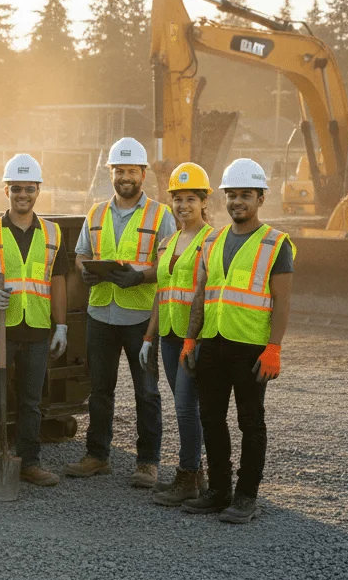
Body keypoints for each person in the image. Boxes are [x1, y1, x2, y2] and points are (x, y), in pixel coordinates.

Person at [179, 158, 295, 523]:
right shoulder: (212, 240)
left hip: (250, 347)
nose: (236, 202)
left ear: (261, 198)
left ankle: (246, 497)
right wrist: (189, 339)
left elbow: (283, 300)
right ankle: (218, 491)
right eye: (231, 195)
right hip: (212, 342)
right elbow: (202, 292)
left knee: (251, 422)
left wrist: (274, 348)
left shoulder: (276, 243)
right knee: (211, 418)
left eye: (245, 194)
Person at [65, 138, 176, 488]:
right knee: (100, 390)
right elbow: (82, 252)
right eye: (119, 170)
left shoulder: (161, 215)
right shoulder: (96, 213)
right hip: (101, 314)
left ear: (143, 174)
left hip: (141, 317)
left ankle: (147, 463)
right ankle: (97, 456)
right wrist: (84, 269)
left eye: (131, 170)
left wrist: (139, 276)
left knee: (147, 392)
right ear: (110, 173)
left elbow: (172, 264)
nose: (125, 176)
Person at [0, 153, 69, 489]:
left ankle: (29, 463)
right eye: (16, 188)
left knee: (30, 402)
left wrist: (61, 325)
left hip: (36, 328)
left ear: (38, 190)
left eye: (29, 188)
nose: (22, 194)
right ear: (5, 190)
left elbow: (58, 281)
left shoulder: (53, 234)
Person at [140, 163, 212, 506]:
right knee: (186, 406)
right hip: (168, 335)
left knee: (185, 407)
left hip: (193, 338)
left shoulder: (211, 240)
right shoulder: (167, 243)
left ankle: (187, 475)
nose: (183, 206)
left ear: (203, 202)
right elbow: (160, 292)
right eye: (178, 199)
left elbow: (207, 292)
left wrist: (196, 338)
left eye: (191, 199)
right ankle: (195, 474)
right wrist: (148, 338)